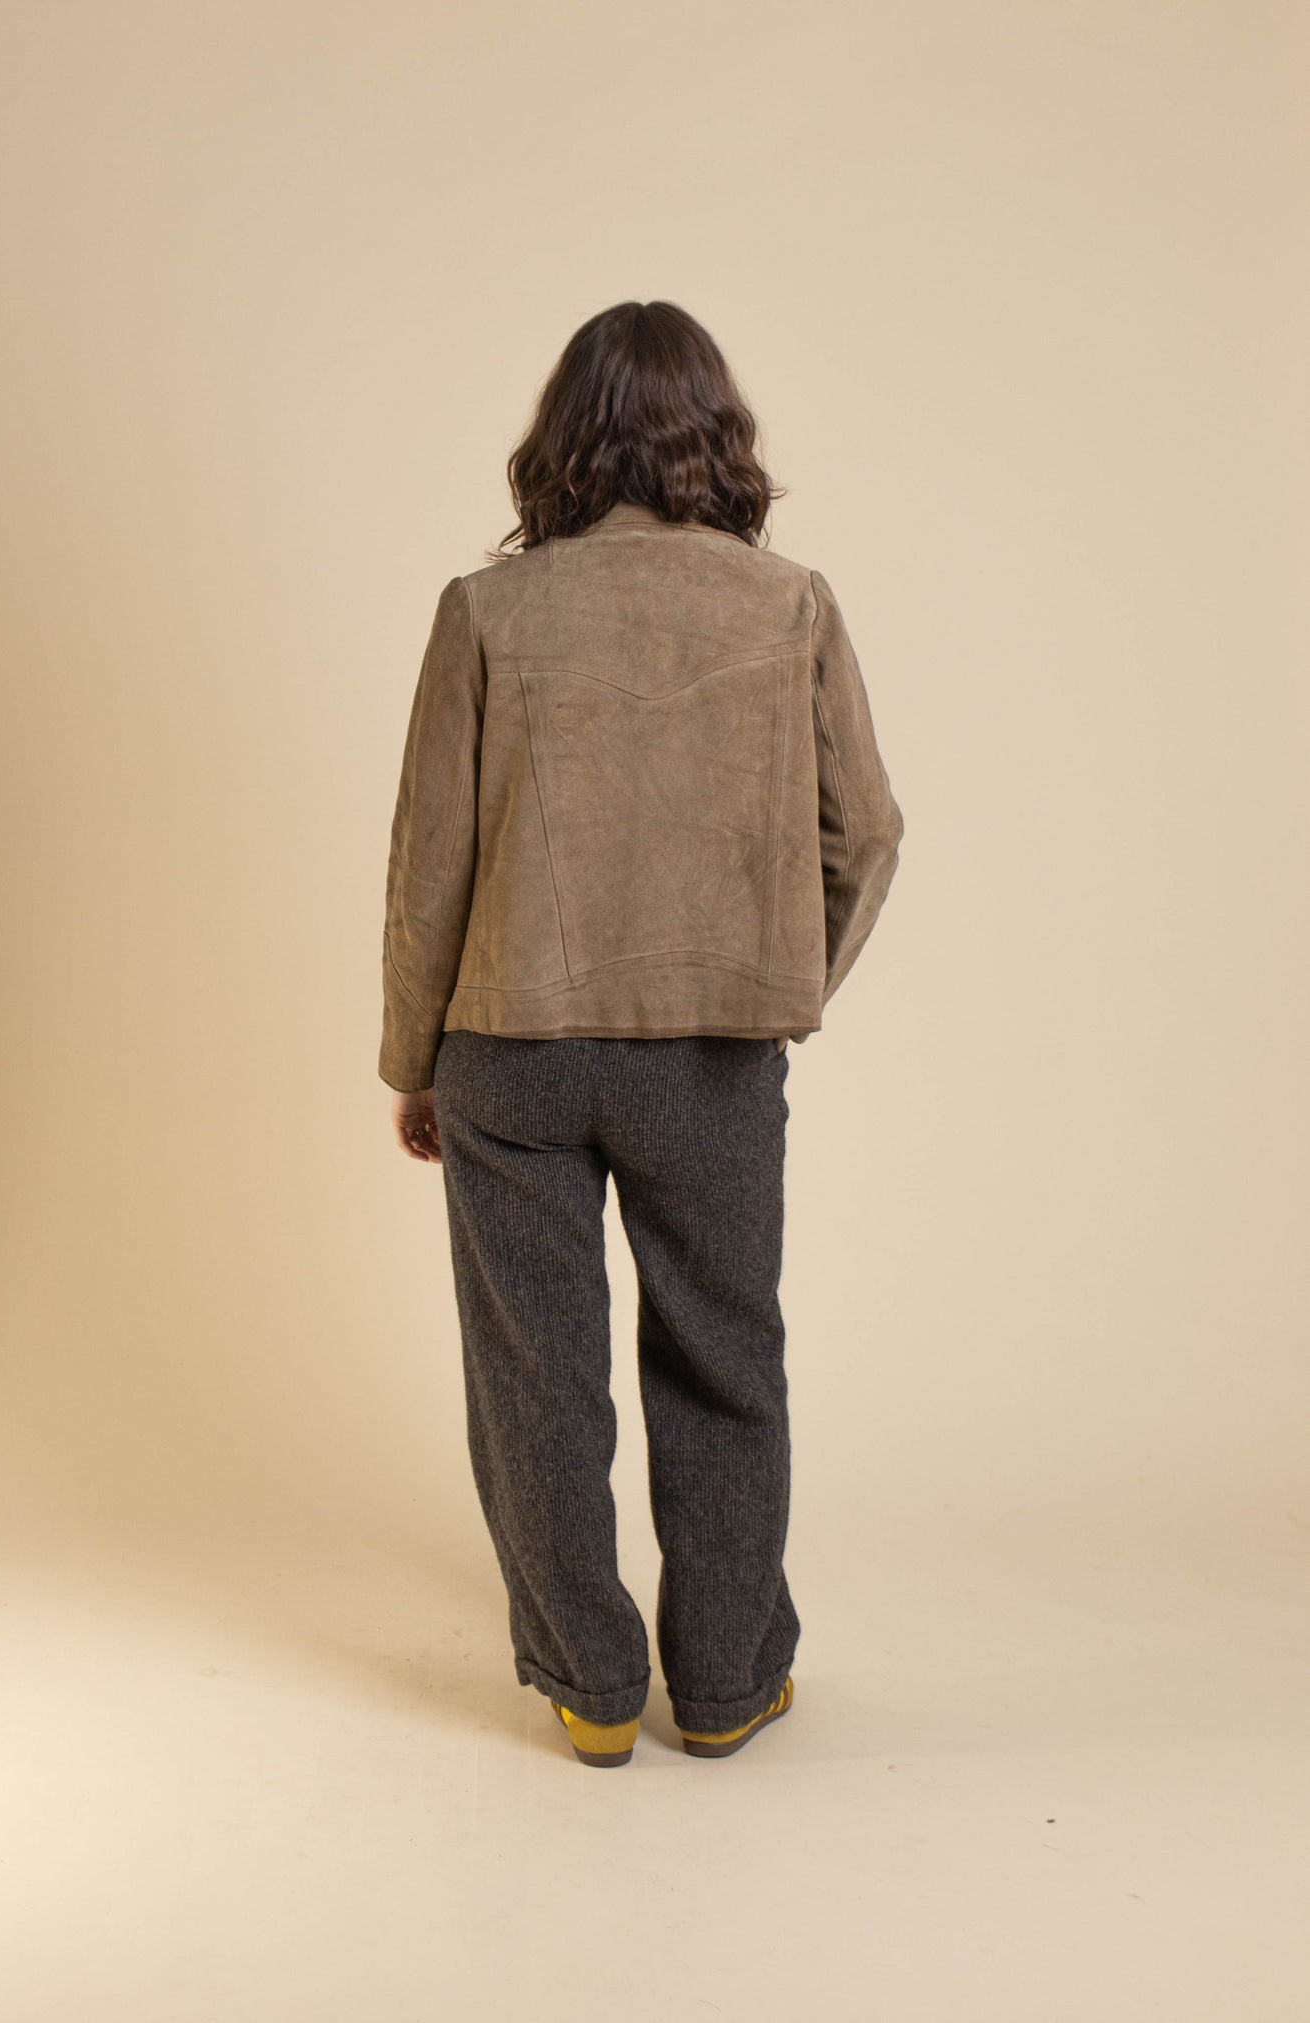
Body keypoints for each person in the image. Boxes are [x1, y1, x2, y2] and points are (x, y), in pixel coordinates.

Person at [378, 300, 904, 1768]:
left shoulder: (487, 611)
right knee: (725, 1359)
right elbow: (865, 832)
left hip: (511, 1049)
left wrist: (412, 1061)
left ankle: (590, 1686)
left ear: (562, 436)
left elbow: (429, 863)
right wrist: (775, 984)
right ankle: (726, 1687)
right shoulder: (789, 604)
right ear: (715, 435)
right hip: (714, 1057)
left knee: (535, 1382)